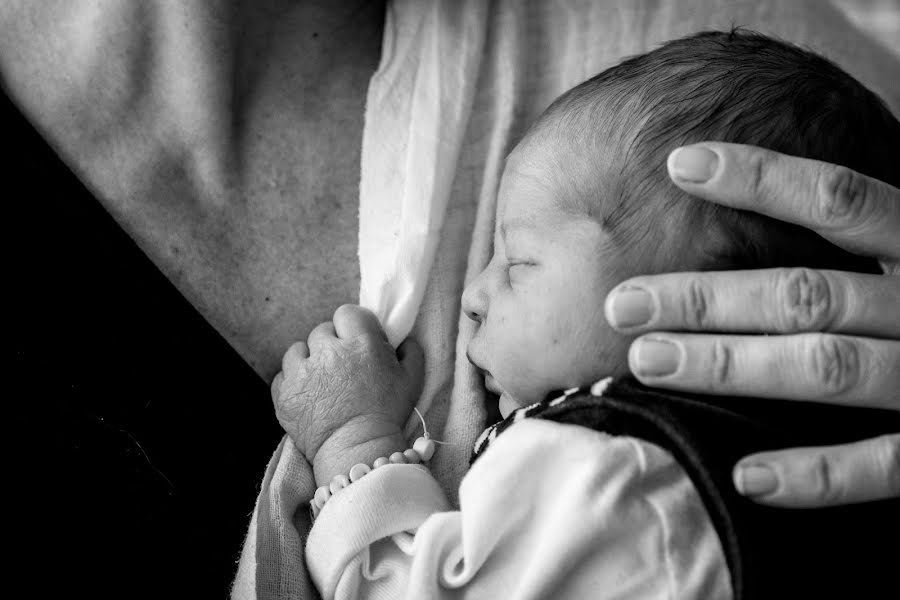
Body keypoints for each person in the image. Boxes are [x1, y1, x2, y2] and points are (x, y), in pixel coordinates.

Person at [272, 31, 899, 599]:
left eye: (518, 263)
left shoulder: (607, 473)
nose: (474, 296)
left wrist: (354, 445)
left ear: (693, 310)